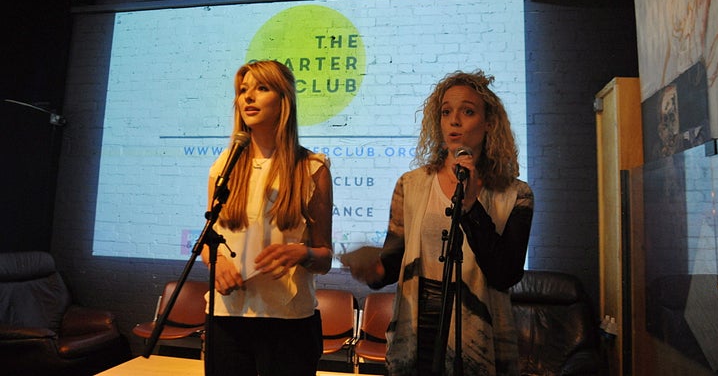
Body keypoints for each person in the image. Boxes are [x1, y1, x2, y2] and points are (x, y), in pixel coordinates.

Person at [342, 70, 533, 376]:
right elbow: (392, 263)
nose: (454, 121)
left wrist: (470, 204)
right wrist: (371, 269)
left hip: (478, 332)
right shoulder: (412, 184)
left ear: (488, 124)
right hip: (417, 329)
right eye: (446, 112)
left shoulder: (516, 194)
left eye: (467, 112)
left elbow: (505, 274)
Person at [201, 60, 333, 376]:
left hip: (289, 322)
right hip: (227, 318)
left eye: (261, 88)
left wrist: (303, 254)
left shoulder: (312, 168)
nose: (248, 97)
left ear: (283, 100)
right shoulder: (224, 167)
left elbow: (325, 257)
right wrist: (216, 264)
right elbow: (207, 241)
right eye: (243, 90)